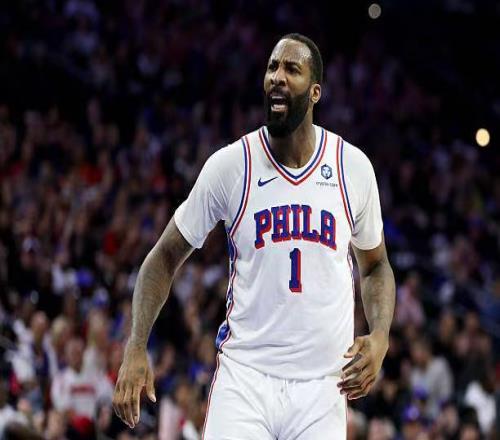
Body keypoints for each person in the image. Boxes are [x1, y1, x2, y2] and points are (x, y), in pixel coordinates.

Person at [113, 33, 395, 439]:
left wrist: (381, 336)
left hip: (322, 386)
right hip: (246, 379)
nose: (277, 77)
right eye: (272, 67)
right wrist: (136, 345)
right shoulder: (232, 165)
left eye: (292, 69)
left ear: (315, 92)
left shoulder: (352, 167)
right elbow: (163, 257)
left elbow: (376, 266)